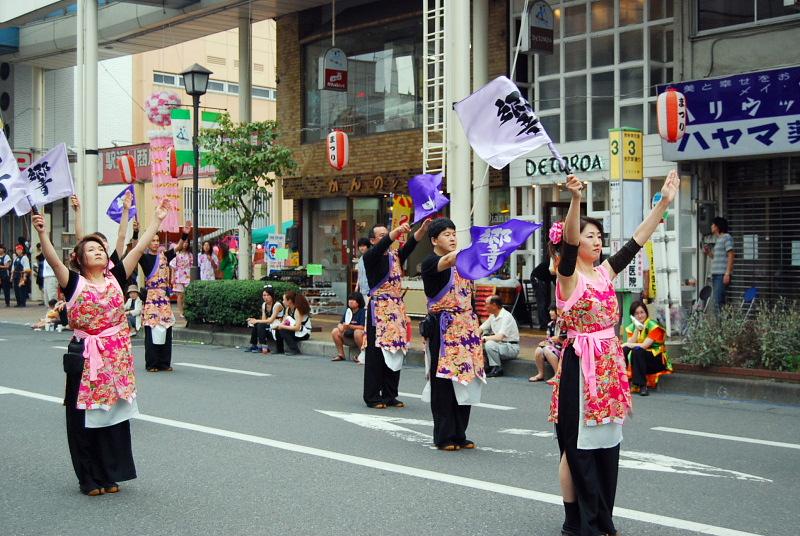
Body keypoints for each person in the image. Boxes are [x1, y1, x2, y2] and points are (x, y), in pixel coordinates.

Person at [549, 171, 678, 536]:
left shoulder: (605, 273)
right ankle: (577, 522)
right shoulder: (568, 276)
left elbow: (637, 240)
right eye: (591, 236)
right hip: (581, 365)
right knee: (576, 449)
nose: (598, 241)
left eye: (600, 237)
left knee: (606, 443)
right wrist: (576, 200)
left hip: (608, 364)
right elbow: (571, 244)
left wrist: (663, 203)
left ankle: (602, 518)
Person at [33, 198, 168, 497]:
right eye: (91, 249)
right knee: (83, 418)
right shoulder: (74, 282)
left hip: (115, 357)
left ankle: (110, 473)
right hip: (85, 355)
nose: (98, 251)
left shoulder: (115, 278)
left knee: (112, 417)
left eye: (101, 249)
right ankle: (88, 477)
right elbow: (54, 261)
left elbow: (135, 249)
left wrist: (156, 221)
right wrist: (43, 234)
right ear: (80, 258)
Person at [421, 217, 486, 451]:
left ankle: (460, 433)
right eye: (446, 234)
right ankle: (444, 435)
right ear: (434, 240)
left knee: (466, 379)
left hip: (466, 329)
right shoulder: (430, 263)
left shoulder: (463, 267)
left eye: (454, 233)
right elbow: (449, 259)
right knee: (444, 383)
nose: (451, 237)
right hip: (443, 328)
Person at [361, 219, 429, 410]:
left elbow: (411, 245)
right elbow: (385, 244)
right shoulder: (370, 257)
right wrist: (397, 232)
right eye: (381, 235)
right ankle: (372, 396)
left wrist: (422, 230)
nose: (386, 237)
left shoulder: (395, 256)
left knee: (395, 351)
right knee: (376, 354)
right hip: (379, 309)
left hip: (396, 310)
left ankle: (390, 395)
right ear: (373, 241)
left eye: (387, 233)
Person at [138, 222, 191, 372]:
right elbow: (136, 247)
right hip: (151, 298)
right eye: (152, 241)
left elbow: (179, 247)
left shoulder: (165, 256)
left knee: (166, 328)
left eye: (157, 241)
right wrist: (136, 233)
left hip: (163, 297)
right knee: (151, 329)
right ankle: (152, 363)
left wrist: (185, 234)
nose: (155, 243)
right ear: (148, 243)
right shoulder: (144, 258)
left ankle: (164, 363)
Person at [622, 301, 672, 396]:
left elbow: (644, 345)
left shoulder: (653, 326)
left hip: (656, 361)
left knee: (637, 350)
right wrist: (637, 328)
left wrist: (625, 344)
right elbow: (630, 343)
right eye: (636, 314)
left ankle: (642, 386)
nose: (640, 316)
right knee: (625, 350)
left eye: (642, 312)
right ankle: (623, 381)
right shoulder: (632, 327)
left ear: (646, 313)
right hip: (640, 362)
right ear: (632, 316)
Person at [478, 294, 520, 377]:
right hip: (500, 346)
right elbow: (481, 328)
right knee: (482, 344)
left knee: (489, 344)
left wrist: (484, 338)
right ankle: (488, 366)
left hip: (511, 347)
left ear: (494, 305)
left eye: (486, 304)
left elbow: (500, 337)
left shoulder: (506, 316)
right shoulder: (492, 316)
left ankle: (497, 368)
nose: (485, 306)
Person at [704, 216, 735, 309]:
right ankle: (723, 322)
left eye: (713, 224)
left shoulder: (727, 237)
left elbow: (731, 254)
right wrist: (708, 252)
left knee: (718, 301)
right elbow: (715, 257)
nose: (711, 226)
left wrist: (727, 273)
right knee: (718, 300)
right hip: (716, 275)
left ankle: (720, 323)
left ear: (717, 226)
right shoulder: (718, 239)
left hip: (721, 274)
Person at [245, 285, 285, 355]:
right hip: (270, 325)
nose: (265, 297)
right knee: (257, 325)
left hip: (277, 326)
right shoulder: (264, 304)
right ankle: (254, 345)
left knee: (259, 324)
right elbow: (264, 320)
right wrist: (254, 320)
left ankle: (263, 347)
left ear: (272, 296)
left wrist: (257, 320)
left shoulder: (277, 305)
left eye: (268, 295)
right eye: (264, 295)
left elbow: (270, 320)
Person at [530, 306, 563, 383]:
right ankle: (540, 374)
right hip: (553, 346)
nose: (550, 312)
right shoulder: (550, 324)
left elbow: (567, 339)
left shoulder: (563, 323)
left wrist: (559, 339)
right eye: (550, 310)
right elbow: (548, 338)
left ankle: (557, 375)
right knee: (539, 349)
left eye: (553, 310)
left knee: (547, 349)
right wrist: (545, 342)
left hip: (562, 348)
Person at [330, 292, 366, 362]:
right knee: (335, 331)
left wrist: (350, 326)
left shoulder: (363, 312)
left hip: (360, 339)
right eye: (350, 300)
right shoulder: (348, 311)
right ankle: (341, 355)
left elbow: (363, 327)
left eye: (353, 300)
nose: (350, 302)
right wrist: (340, 327)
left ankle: (363, 355)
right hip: (349, 337)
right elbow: (340, 323)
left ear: (359, 302)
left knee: (357, 332)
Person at [274, 290, 312, 355]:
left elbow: (297, 327)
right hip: (297, 331)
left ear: (290, 301)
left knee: (283, 330)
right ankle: (280, 350)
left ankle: (295, 350)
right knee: (279, 330)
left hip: (304, 332)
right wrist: (279, 326)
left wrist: (282, 326)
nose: (283, 302)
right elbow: (284, 321)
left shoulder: (297, 310)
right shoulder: (288, 309)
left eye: (284, 300)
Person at [170, 240, 192, 318]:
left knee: (186, 294)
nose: (185, 244)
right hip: (178, 275)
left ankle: (185, 309)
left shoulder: (190, 255)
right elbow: (173, 266)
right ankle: (181, 311)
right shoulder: (176, 254)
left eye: (187, 243)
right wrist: (172, 277)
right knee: (180, 295)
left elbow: (192, 265)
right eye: (184, 242)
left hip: (187, 276)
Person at [532, 256, 556, 329]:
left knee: (546, 302)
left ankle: (547, 321)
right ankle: (543, 324)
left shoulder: (553, 261)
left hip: (544, 279)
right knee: (542, 302)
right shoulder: (553, 262)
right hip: (538, 279)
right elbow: (555, 279)